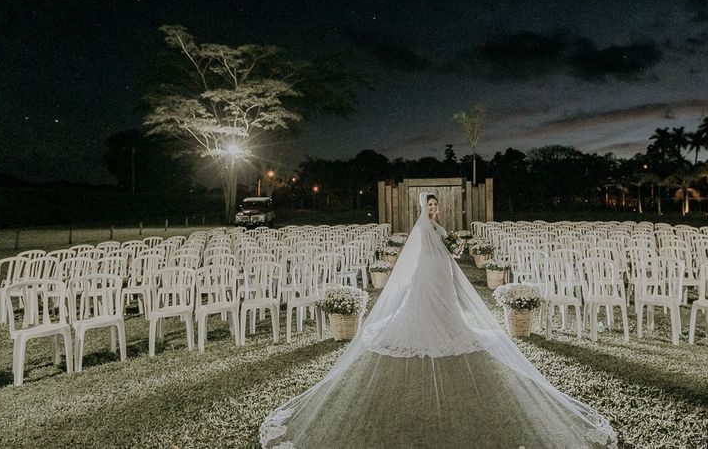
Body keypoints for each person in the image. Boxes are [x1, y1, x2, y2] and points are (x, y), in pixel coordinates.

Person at [259, 192, 617, 448]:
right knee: (423, 305)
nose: (434, 209)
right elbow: (417, 258)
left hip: (442, 274)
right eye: (429, 205)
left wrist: (453, 249)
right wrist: (443, 250)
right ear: (422, 207)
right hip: (427, 275)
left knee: (446, 308)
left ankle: (447, 326)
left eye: (435, 205)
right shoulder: (421, 229)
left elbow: (449, 249)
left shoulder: (441, 228)